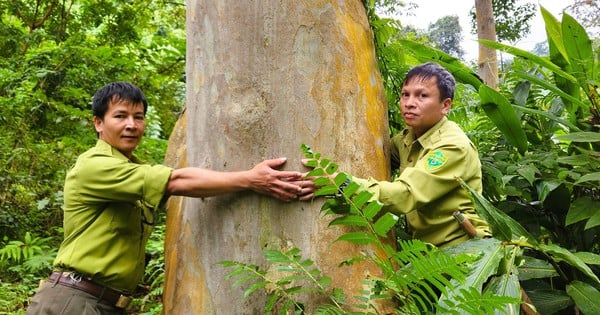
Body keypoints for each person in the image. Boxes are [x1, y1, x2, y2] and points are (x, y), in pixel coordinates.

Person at [27, 81, 310, 314]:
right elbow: (176, 181)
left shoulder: (131, 168)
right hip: (72, 302)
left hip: (103, 303)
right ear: (98, 124)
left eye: (138, 117)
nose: (132, 125)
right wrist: (250, 179)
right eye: (120, 116)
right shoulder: (95, 166)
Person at [303, 62, 490, 248]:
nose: (409, 103)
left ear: (445, 105)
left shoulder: (453, 147)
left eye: (422, 96)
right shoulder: (408, 137)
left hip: (464, 251)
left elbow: (405, 194)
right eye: (405, 95)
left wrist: (341, 183)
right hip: (428, 253)